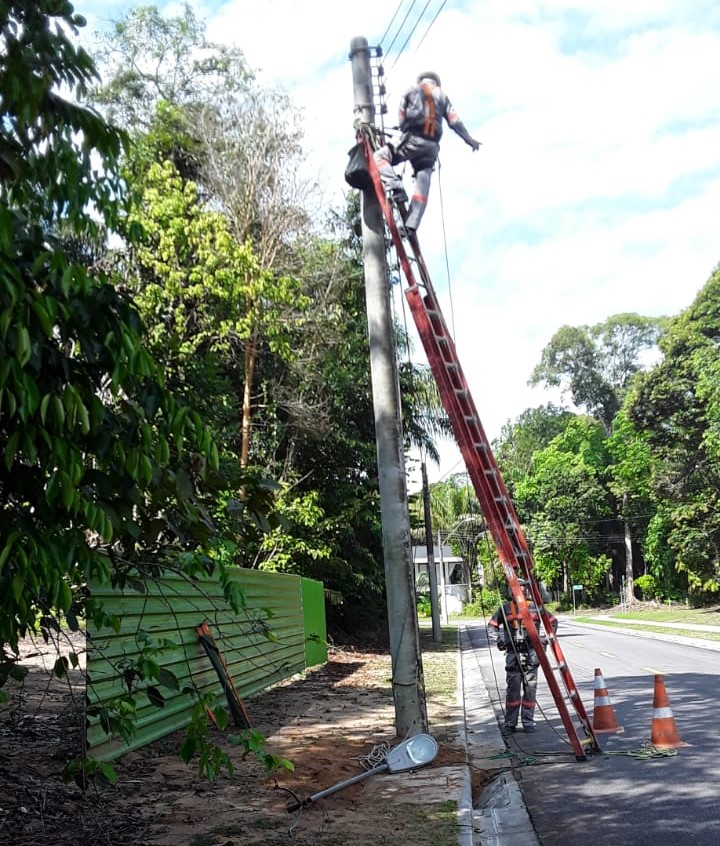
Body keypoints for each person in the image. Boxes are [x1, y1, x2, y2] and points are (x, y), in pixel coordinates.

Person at [373, 71, 480, 234]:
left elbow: (401, 119)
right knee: (422, 185)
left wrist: (405, 128)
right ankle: (411, 225)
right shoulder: (442, 96)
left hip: (412, 139)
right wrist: (469, 139)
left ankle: (396, 187)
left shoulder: (410, 91)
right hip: (431, 148)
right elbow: (454, 121)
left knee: (379, 157)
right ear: (436, 83)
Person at [487, 582, 558, 735]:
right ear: (511, 592)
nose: (521, 592)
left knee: (530, 689)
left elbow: (552, 622)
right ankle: (510, 723)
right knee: (513, 690)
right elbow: (492, 625)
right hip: (513, 654)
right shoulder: (505, 608)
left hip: (532, 654)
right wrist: (499, 641)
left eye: (523, 590)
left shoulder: (536, 608)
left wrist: (545, 639)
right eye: (517, 590)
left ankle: (528, 721)